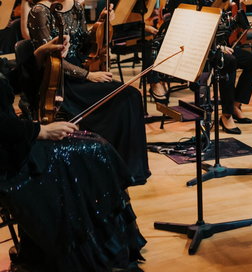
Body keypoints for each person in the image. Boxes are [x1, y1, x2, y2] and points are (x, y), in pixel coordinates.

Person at [0, 39, 146, 272]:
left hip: (14, 143)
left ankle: (107, 246)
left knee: (96, 148)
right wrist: (40, 130)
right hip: (9, 162)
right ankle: (88, 249)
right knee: (92, 154)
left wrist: (38, 55)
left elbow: (8, 84)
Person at [27, 0, 150, 184]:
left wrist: (102, 23)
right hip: (60, 82)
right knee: (126, 98)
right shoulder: (39, 11)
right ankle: (118, 168)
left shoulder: (76, 6)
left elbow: (84, 44)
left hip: (81, 74)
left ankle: (125, 168)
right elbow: (51, 61)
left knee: (131, 95)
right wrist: (88, 75)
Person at [163, 0, 252, 130]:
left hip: (218, 46)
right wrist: (216, 47)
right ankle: (226, 115)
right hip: (195, 48)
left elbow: (221, 23)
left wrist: (234, 6)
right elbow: (186, 29)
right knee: (229, 61)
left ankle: (235, 104)